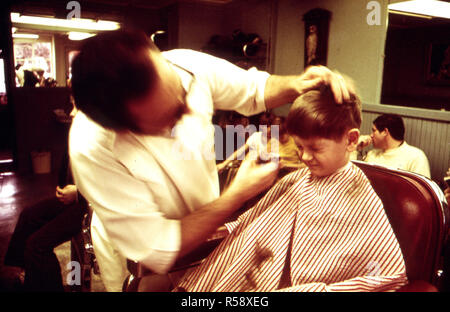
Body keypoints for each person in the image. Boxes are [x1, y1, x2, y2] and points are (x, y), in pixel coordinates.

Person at [68, 28, 354, 289]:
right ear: (124, 127)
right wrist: (237, 194)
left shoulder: (183, 66)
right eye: (170, 117)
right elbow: (158, 246)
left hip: (209, 245)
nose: (186, 111)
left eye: (180, 94)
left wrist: (298, 83)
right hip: (143, 258)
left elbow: (254, 90)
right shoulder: (92, 148)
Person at [174, 83, 407, 292]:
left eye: (315, 148)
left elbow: (387, 273)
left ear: (351, 140)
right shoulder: (296, 180)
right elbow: (254, 222)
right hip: (257, 277)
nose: (305, 156)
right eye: (299, 146)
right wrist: (226, 229)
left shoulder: (360, 197)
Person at [2, 107, 88, 292]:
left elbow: (107, 186)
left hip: (89, 207)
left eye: (77, 107)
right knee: (28, 215)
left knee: (37, 245)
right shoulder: (81, 130)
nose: (71, 113)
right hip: (75, 198)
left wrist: (78, 192)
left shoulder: (105, 132)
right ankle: (26, 272)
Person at [357, 114, 431, 178]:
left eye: (374, 130)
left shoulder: (415, 157)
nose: (371, 135)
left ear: (385, 132)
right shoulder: (372, 154)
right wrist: (356, 148)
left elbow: (421, 191)